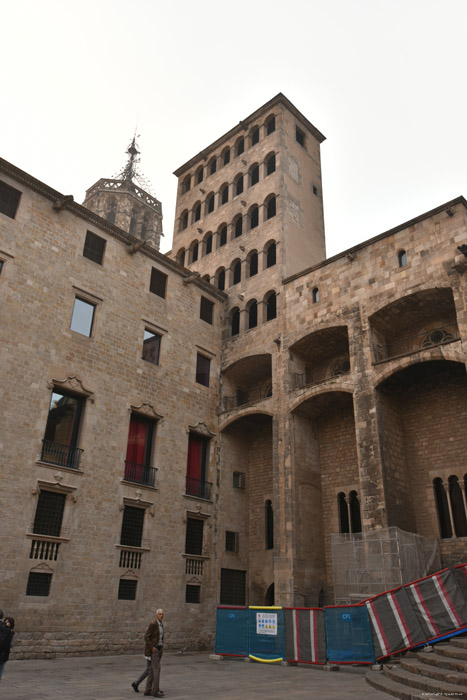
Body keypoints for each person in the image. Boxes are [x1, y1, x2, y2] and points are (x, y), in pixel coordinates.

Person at [143, 609, 165, 698]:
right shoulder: (153, 624)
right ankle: (155, 691)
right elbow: (146, 637)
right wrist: (152, 647)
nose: (161, 616)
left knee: (152, 670)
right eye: (160, 614)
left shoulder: (161, 624)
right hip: (155, 649)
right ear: (156, 615)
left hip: (160, 649)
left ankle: (148, 690)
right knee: (157, 669)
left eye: (162, 614)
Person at [0, 616, 15, 681]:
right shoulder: (11, 632)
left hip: (4, 652)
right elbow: (11, 644)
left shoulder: (7, 632)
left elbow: (11, 644)